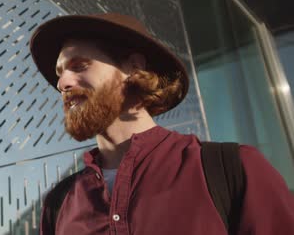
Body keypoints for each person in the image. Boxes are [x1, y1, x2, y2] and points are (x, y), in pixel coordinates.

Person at [28, 13, 294, 234]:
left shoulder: (233, 169)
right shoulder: (58, 204)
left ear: (133, 67)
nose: (63, 83)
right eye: (60, 74)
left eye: (79, 66)